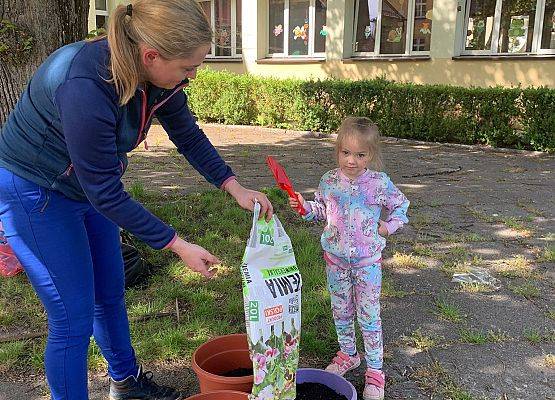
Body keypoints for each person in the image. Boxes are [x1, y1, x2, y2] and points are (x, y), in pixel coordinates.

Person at [0, 1, 272, 399]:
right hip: (34, 190)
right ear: (150, 55)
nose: (192, 76)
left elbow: (187, 133)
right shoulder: (85, 85)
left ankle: (126, 383)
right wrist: (176, 244)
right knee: (72, 318)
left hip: (86, 186)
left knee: (109, 291)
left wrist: (233, 185)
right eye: (187, 67)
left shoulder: (159, 79)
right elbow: (106, 192)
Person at [289, 117, 409, 400]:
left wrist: (388, 226)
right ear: (337, 150)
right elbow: (321, 210)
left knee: (368, 316)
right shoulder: (329, 181)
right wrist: (305, 208)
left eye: (360, 154)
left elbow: (401, 206)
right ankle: (348, 353)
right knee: (341, 311)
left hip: (368, 264)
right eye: (345, 152)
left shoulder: (379, 183)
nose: (351, 161)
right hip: (336, 261)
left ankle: (375, 371)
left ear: (371, 156)